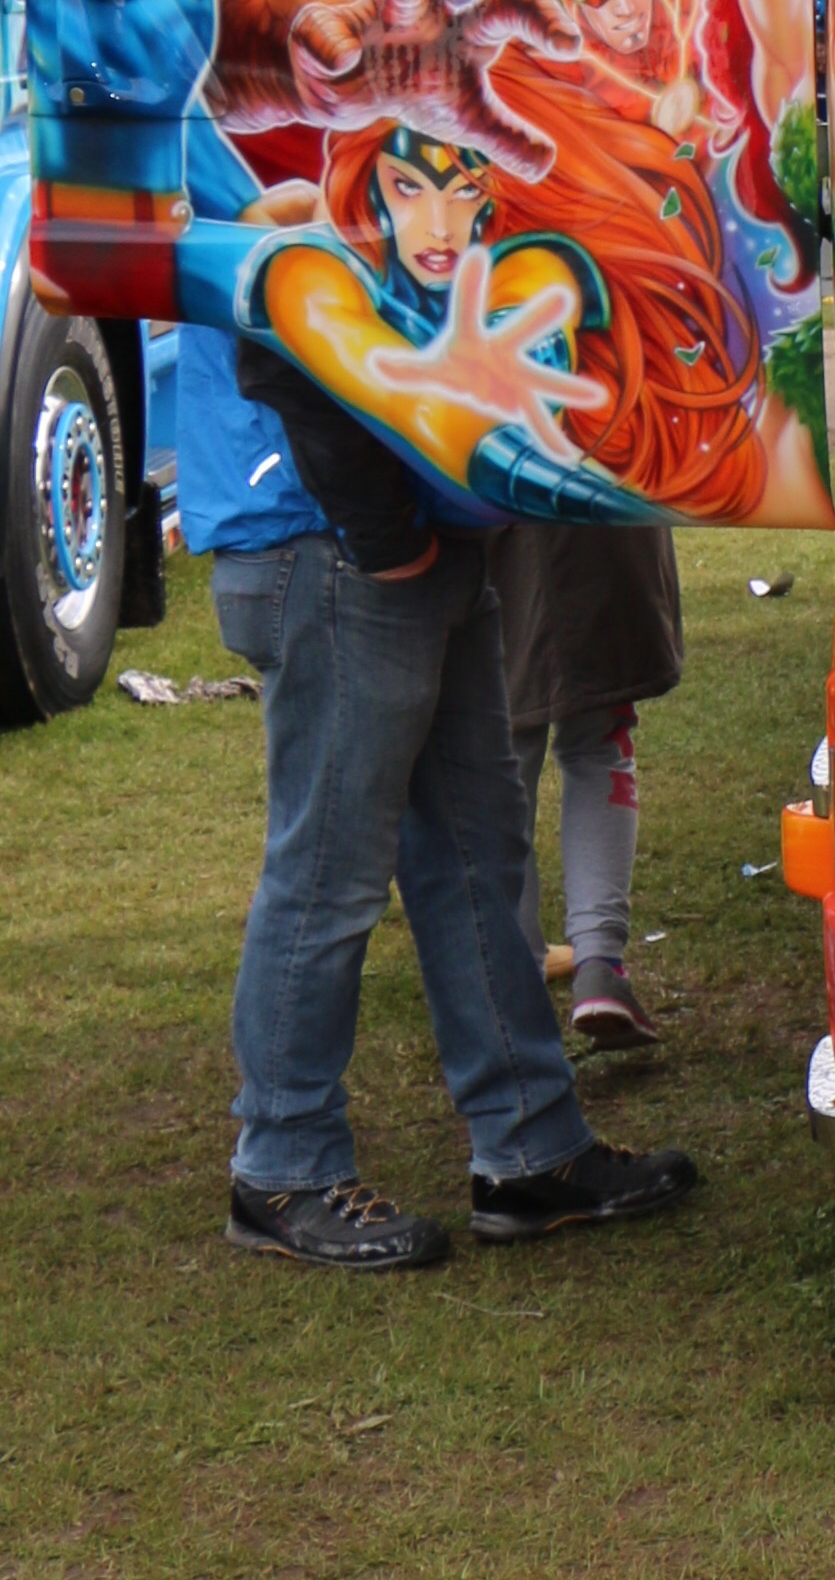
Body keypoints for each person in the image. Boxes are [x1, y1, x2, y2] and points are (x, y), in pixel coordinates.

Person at [186, 302, 700, 1270]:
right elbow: (282, 334)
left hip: (398, 534)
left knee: (475, 853)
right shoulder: (287, 196)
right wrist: (384, 531)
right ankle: (283, 1166)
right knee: (331, 871)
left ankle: (530, 1147)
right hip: (334, 540)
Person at [497, 522, 683, 1050]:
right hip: (598, 512)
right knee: (600, 740)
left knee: (504, 756)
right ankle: (600, 964)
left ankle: (515, 978)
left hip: (493, 513)